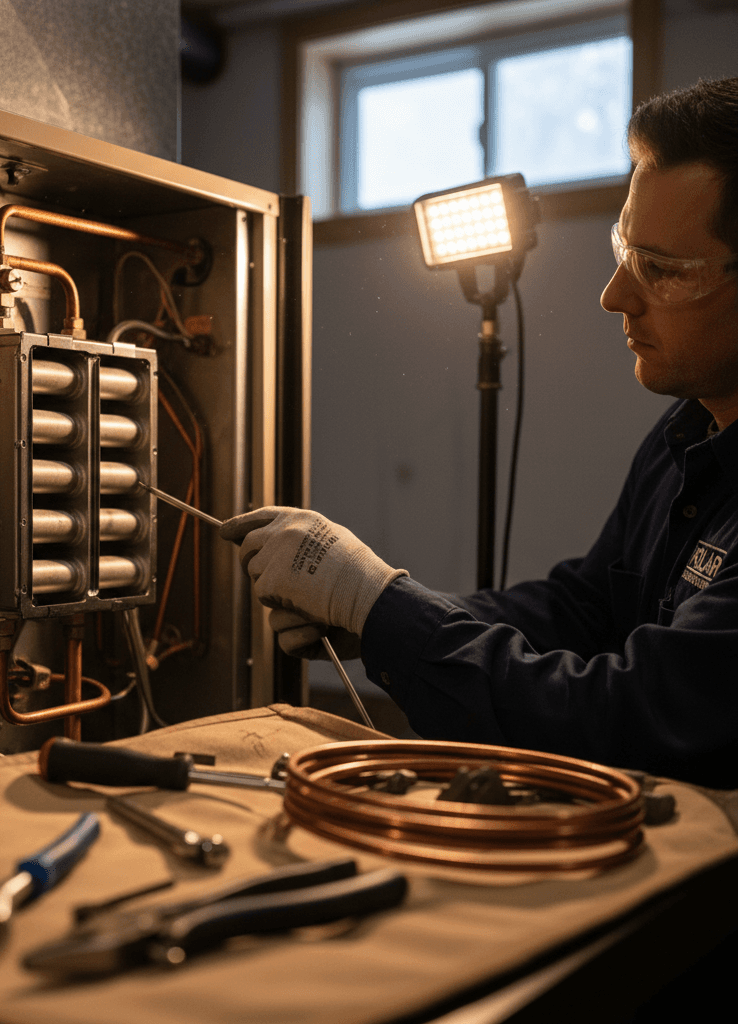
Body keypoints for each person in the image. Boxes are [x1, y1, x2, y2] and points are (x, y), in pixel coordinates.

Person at [220, 77, 738, 788]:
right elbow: (582, 609)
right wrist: (379, 609)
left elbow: (629, 717)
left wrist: (379, 607)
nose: (614, 295)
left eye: (662, 270)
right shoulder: (687, 434)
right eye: (623, 249)